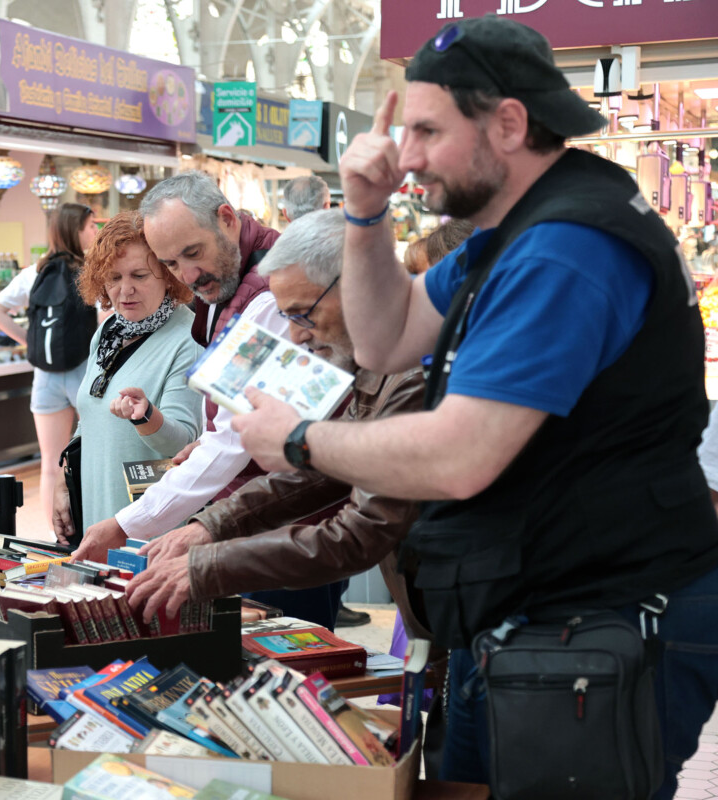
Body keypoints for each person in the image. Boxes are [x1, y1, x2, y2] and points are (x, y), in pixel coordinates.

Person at [231, 17, 718, 797]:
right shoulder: (509, 236)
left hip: (605, 622)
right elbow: (385, 338)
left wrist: (299, 440)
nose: (409, 154)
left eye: (427, 129)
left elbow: (459, 456)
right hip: (534, 619)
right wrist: (363, 211)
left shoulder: (567, 247)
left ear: (510, 124)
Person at [124, 208, 428, 645]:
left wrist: (207, 563)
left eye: (303, 315)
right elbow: (327, 473)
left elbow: (359, 532)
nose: (297, 337)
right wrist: (210, 528)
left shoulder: (410, 376)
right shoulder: (379, 366)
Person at [69, 171, 287, 554]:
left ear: (227, 220)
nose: (187, 275)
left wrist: (127, 524)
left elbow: (231, 438)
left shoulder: (264, 299)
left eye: (193, 252)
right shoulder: (230, 289)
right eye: (171, 262)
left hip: (279, 522)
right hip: (257, 513)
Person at [61, 211, 202, 531]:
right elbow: (90, 416)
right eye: (114, 277)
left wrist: (145, 415)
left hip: (148, 529)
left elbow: (183, 445)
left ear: (168, 275)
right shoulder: (109, 330)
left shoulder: (189, 339)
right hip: (98, 514)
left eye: (139, 275)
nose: (125, 291)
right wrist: (62, 479)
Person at [0, 203, 98, 533]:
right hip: (84, 372)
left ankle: (56, 535)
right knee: (93, 452)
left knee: (50, 461)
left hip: (46, 377)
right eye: (91, 226)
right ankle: (91, 527)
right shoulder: (92, 273)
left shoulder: (34, 272)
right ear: (75, 229)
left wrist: (30, 342)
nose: (94, 232)